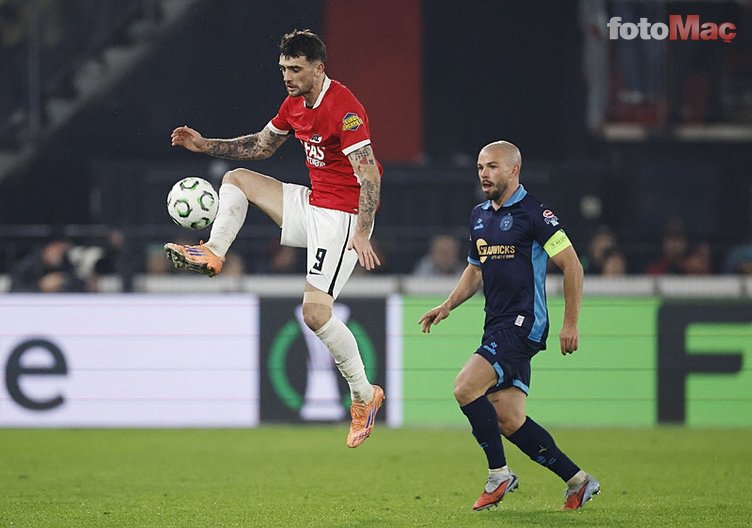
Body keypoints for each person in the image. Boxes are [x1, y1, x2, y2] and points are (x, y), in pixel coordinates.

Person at [164, 29, 384, 448]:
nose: (287, 76)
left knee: (315, 314)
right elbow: (262, 146)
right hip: (314, 204)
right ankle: (213, 251)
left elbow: (368, 172)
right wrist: (206, 145)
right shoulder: (293, 105)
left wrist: (362, 230)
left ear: (318, 69)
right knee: (237, 179)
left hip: (343, 217)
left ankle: (363, 395)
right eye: (283, 68)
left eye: (295, 69)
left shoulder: (345, 108)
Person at [418, 141, 600, 511]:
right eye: (480, 167)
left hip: (524, 323)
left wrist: (571, 323)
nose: (484, 174)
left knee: (465, 387)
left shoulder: (535, 213)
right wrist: (448, 304)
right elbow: (475, 270)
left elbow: (572, 265)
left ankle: (498, 474)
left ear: (514, 170)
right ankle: (578, 481)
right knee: (509, 419)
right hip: (496, 324)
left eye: (493, 166)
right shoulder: (479, 216)